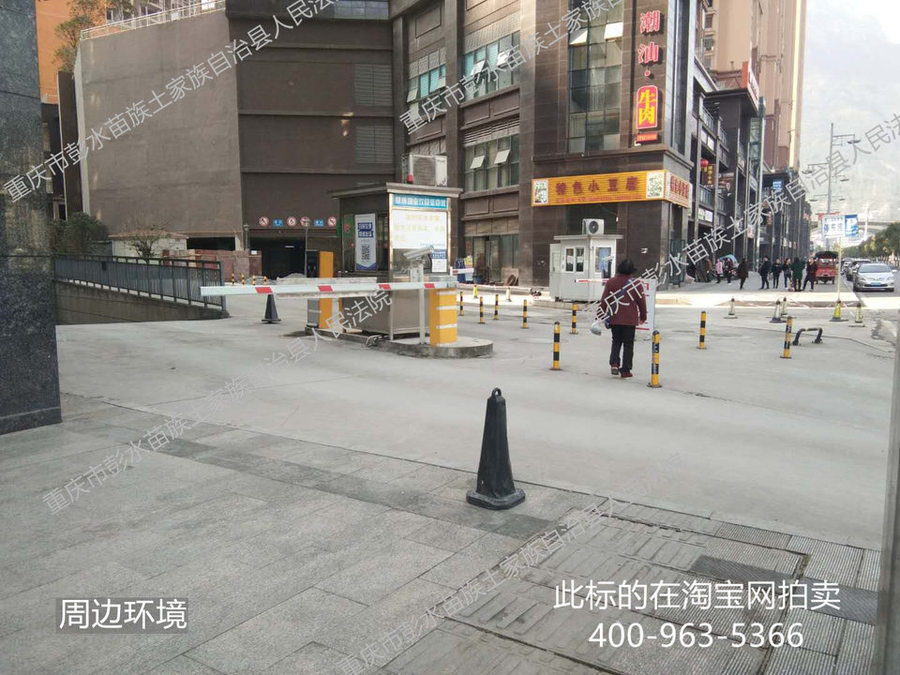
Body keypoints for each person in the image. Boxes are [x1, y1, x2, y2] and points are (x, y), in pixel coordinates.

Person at [598, 259, 647, 380]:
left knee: (616, 341)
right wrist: (643, 316)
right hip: (630, 320)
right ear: (631, 271)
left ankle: (614, 364)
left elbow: (605, 300)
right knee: (628, 345)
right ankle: (625, 371)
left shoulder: (611, 282)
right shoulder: (636, 284)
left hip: (615, 318)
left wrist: (600, 314)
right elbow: (642, 302)